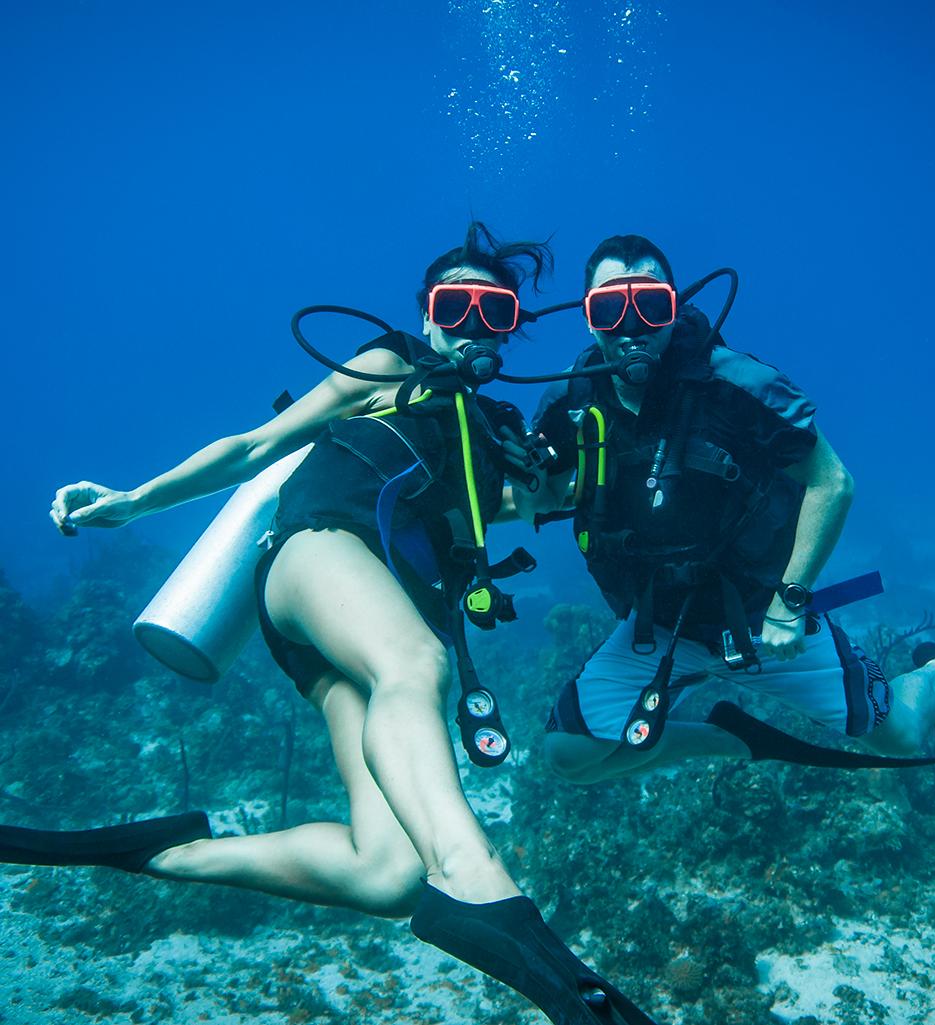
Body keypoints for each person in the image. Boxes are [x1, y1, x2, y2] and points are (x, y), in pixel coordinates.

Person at [2, 224, 660, 1025]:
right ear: (426, 316)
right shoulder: (389, 365)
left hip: (347, 631)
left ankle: (161, 850)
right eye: (455, 307)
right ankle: (474, 874)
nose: (471, 328)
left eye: (493, 313)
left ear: (510, 328)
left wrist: (584, 453)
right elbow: (255, 446)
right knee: (415, 664)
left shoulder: (490, 432)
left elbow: (541, 502)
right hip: (314, 555)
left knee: (385, 872)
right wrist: (135, 501)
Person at [514, 233, 935, 783]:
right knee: (568, 757)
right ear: (589, 319)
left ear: (674, 310)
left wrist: (790, 602)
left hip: (760, 614)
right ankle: (732, 738)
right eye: (610, 309)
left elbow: (833, 483)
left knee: (901, 736)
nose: (632, 326)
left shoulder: (738, 384)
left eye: (650, 304)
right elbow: (547, 499)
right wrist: (522, 477)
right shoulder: (569, 403)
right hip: (659, 624)